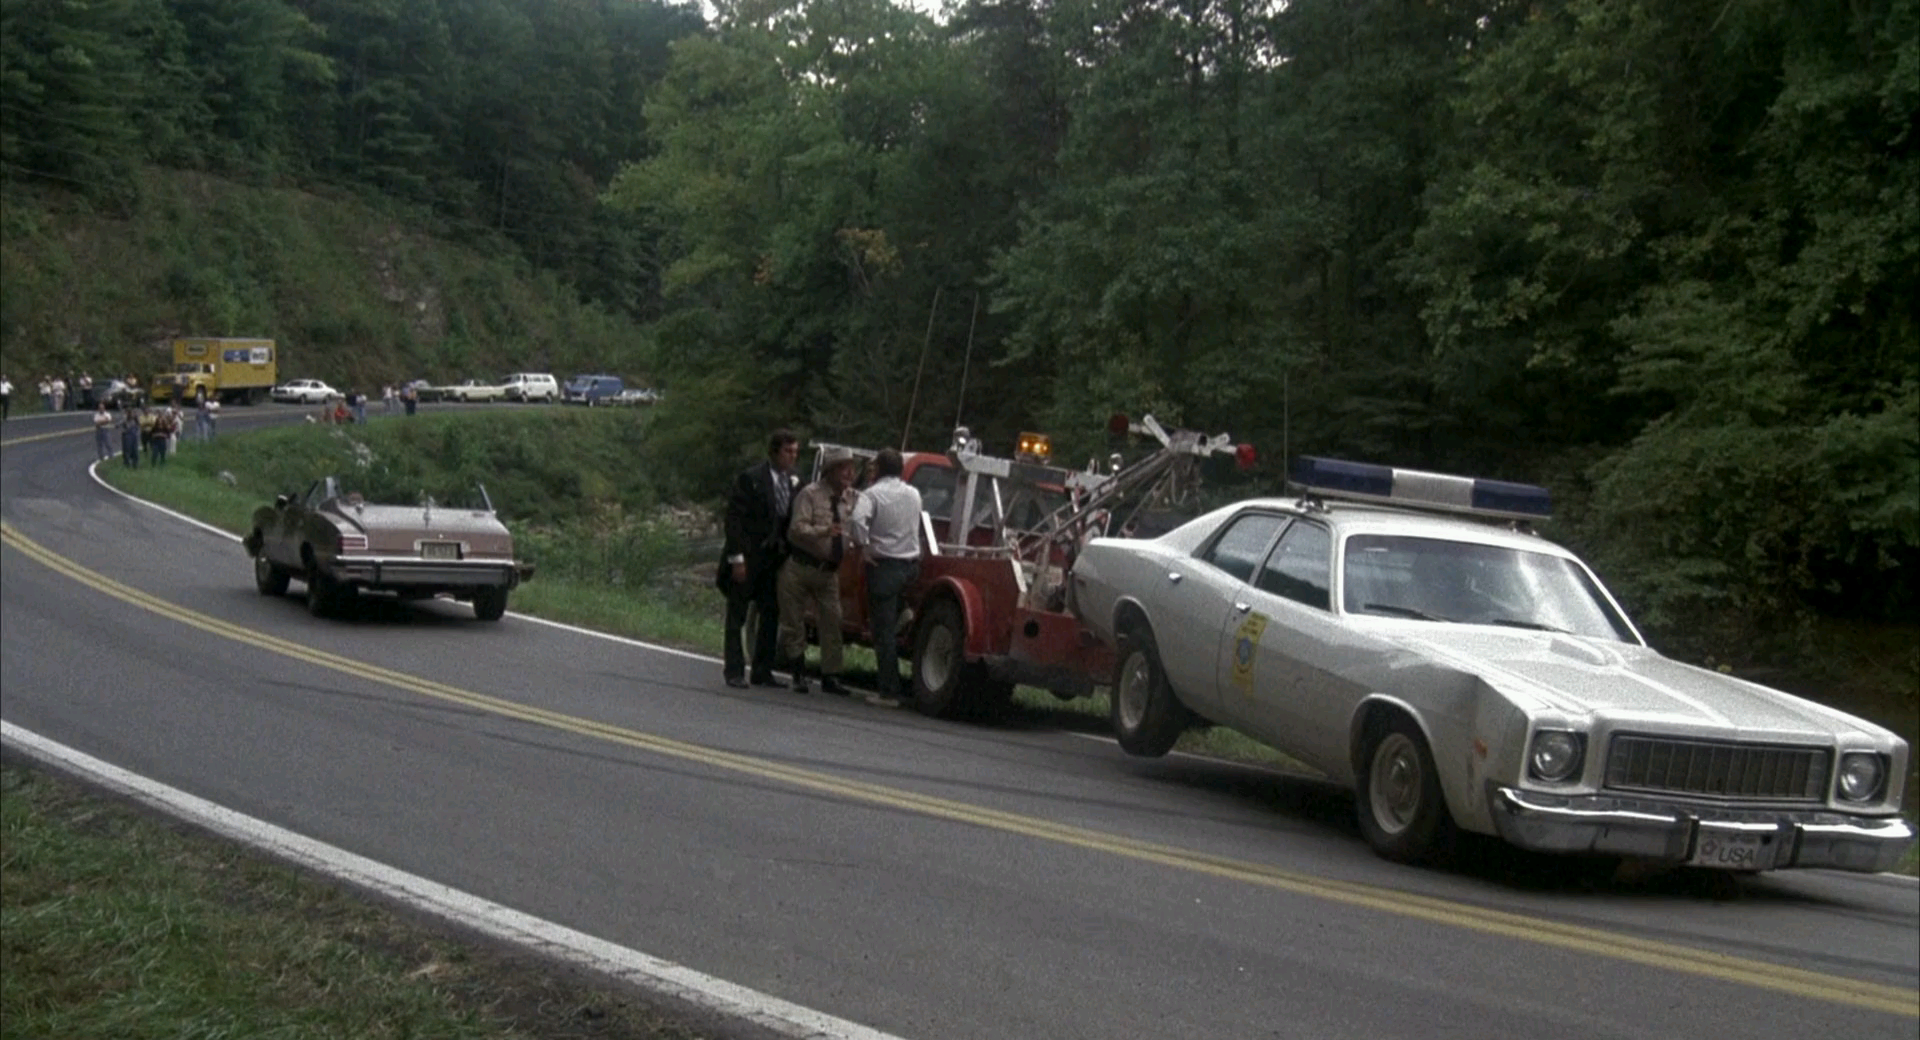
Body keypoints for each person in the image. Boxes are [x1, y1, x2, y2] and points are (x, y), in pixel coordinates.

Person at [719, 429, 800, 689]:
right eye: (788, 451)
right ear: (774, 452)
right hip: (748, 554)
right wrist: (737, 558)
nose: (792, 457)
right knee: (737, 615)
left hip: (772, 559)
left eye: (795, 452)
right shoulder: (751, 479)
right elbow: (734, 520)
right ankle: (734, 670)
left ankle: (762, 669)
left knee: (770, 614)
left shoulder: (791, 482)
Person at [778, 446, 859, 694]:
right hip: (801, 566)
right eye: (843, 468)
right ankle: (798, 672)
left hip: (829, 571)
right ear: (831, 471)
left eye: (850, 468)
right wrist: (824, 531)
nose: (848, 473)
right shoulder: (810, 495)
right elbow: (796, 530)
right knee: (794, 622)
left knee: (833, 621)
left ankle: (831, 676)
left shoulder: (853, 498)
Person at [848, 447, 924, 706]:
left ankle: (889, 691)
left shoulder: (871, 495)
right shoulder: (914, 494)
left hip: (885, 565)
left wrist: (863, 547)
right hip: (911, 566)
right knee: (891, 613)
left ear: (878, 469)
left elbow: (857, 522)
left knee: (884, 633)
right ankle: (903, 612)